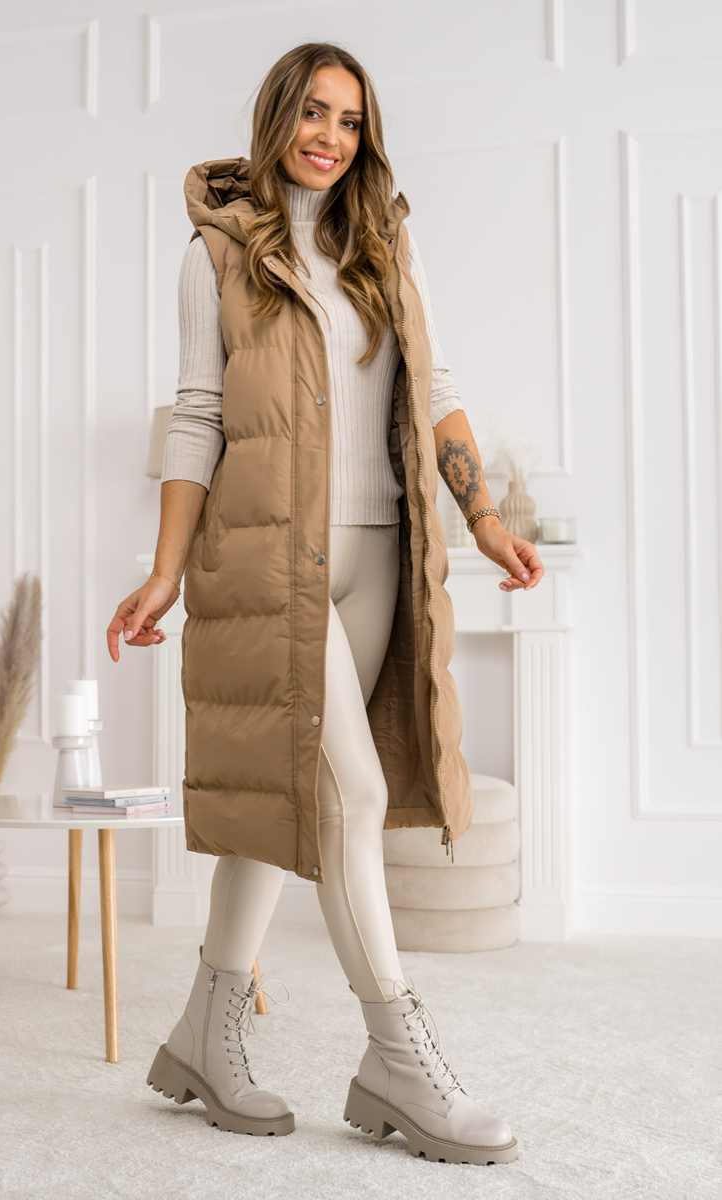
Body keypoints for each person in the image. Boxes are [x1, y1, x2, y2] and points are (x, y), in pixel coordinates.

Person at [107, 43, 542, 1167]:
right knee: (351, 793)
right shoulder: (217, 252)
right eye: (313, 113)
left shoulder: (386, 241)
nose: (331, 138)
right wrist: (165, 571)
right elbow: (197, 416)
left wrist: (484, 519)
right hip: (269, 564)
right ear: (276, 118)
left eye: (350, 121)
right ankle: (398, 1056)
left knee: (291, 791)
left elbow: (438, 390)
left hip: (381, 556)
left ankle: (204, 1036)